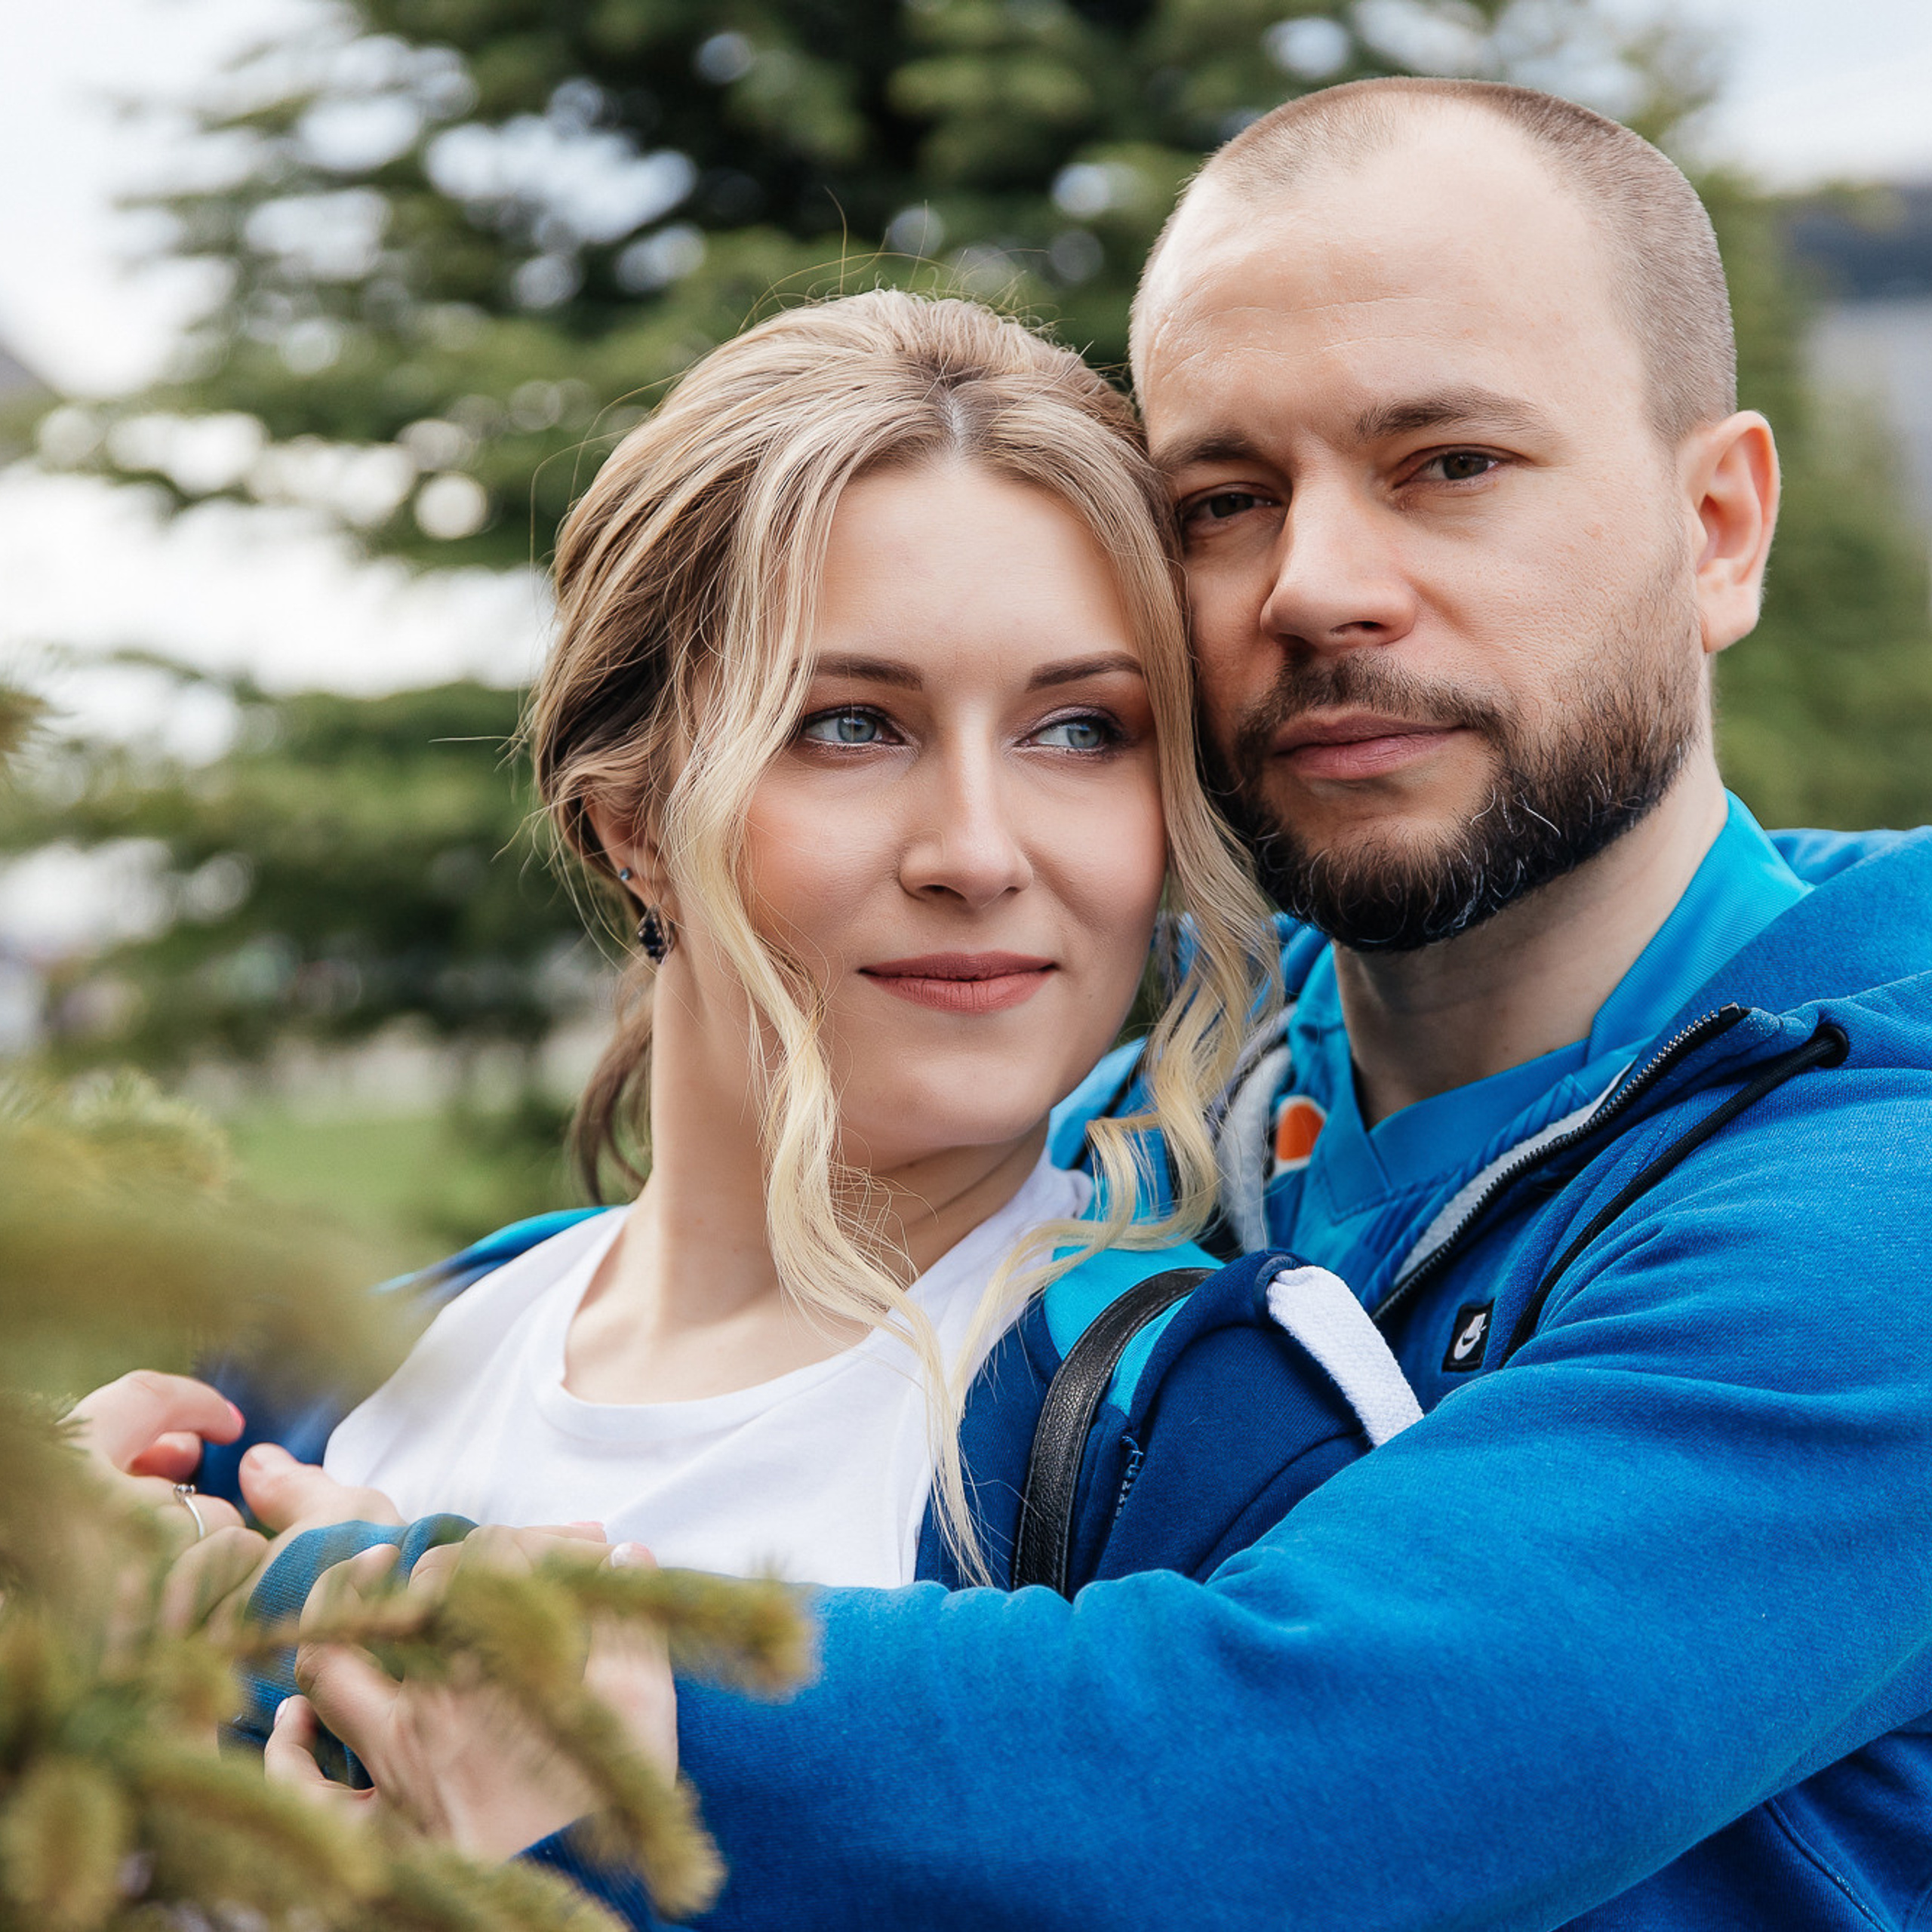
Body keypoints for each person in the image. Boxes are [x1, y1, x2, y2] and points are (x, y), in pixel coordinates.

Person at [257, 75, 1932, 1930]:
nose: (1315, 584)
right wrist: (215, 1417)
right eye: (1221, 498)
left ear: (1715, 525)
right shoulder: (1219, 1086)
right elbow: (755, 1259)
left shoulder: (1879, 1197)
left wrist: (338, 1635)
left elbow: (1275, 1777)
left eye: (1445, 462)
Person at [72, 290, 1429, 1872]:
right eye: (851, 724)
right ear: (629, 815)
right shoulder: (324, 1379)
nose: (978, 851)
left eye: (1078, 729)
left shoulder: (1195, 1423)